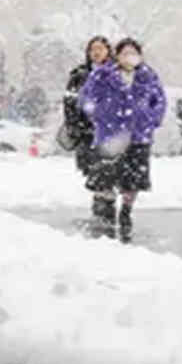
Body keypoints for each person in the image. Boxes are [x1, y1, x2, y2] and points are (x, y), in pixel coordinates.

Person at [80, 38, 168, 242]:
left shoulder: (148, 76)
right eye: (125, 53)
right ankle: (107, 212)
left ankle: (126, 211)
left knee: (133, 179)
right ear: (117, 55)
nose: (129, 57)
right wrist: (99, 114)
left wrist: (150, 119)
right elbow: (87, 98)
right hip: (110, 135)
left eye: (133, 53)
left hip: (138, 136)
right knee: (106, 177)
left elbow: (160, 101)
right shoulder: (103, 74)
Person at [64, 37, 113, 234]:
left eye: (100, 49)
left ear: (108, 51)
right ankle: (102, 212)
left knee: (108, 172)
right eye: (93, 49)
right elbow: (69, 103)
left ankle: (106, 212)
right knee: (96, 172)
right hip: (87, 133)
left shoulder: (116, 74)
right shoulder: (79, 75)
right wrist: (74, 126)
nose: (96, 52)